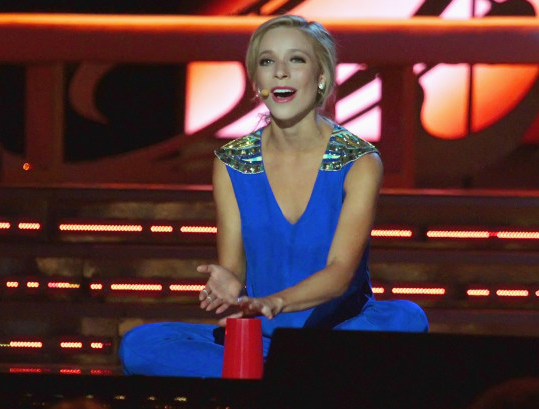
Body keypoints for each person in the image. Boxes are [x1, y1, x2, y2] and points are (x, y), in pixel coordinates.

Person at [119, 14, 428, 378]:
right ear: (257, 82)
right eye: (267, 62)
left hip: (341, 333)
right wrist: (230, 284)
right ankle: (292, 373)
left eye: (296, 60)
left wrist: (275, 302)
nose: (280, 72)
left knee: (408, 319)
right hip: (264, 335)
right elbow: (233, 267)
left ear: (322, 78)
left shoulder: (358, 161)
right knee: (139, 344)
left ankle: (274, 372)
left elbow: (340, 274)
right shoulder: (233, 162)